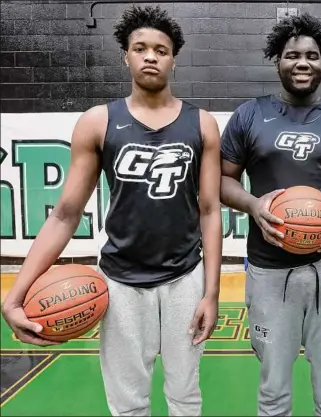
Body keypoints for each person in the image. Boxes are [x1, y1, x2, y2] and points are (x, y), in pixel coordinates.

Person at [1, 6, 222, 416]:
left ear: (174, 58)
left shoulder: (202, 123)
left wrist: (211, 292)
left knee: (185, 397)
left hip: (184, 279)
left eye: (161, 49)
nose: (151, 56)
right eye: (140, 48)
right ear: (126, 55)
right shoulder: (98, 121)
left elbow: (210, 210)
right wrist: (15, 295)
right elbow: (65, 215)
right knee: (127, 403)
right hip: (119, 283)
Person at [220, 13, 321, 417]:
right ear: (278, 61)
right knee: (273, 388)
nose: (303, 62)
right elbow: (223, 181)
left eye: (313, 55)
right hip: (269, 269)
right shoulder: (249, 115)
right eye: (293, 55)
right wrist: (254, 205)